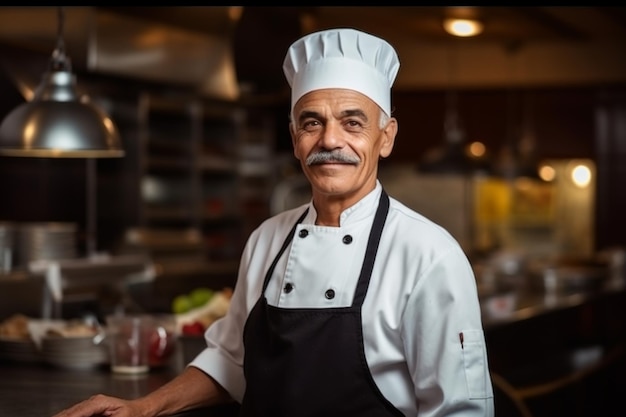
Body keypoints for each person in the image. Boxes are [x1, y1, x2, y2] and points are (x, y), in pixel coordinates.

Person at [53, 28, 494, 417]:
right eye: (312, 122)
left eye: (352, 123)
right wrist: (143, 408)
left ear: (387, 137)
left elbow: (460, 410)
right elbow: (232, 364)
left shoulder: (428, 253)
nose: (330, 140)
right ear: (295, 140)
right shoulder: (267, 238)